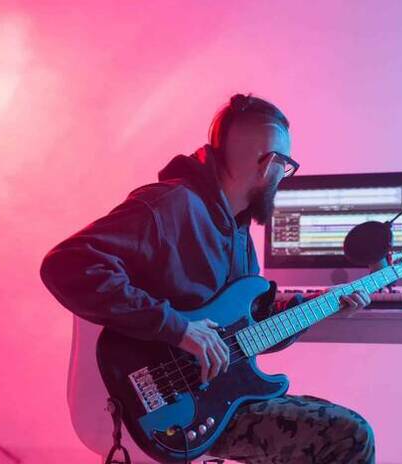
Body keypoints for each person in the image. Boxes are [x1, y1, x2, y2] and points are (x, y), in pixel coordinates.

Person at [40, 93, 376, 463]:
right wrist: (179, 329)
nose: (282, 178)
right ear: (269, 164)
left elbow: (245, 337)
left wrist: (321, 306)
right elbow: (67, 264)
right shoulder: (170, 205)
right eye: (285, 166)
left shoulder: (238, 233)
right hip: (166, 409)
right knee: (350, 436)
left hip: (218, 399)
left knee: (336, 430)